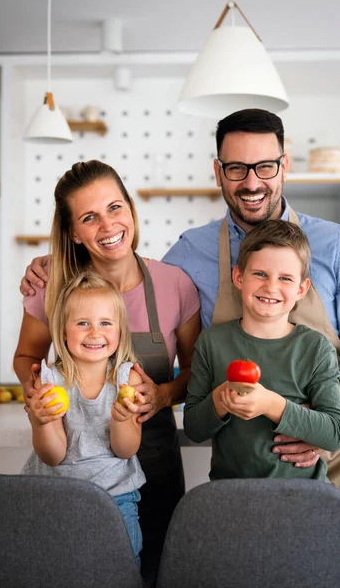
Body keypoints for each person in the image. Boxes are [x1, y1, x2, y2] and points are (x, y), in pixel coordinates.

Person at [19, 111, 340, 586]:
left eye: (265, 166)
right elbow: (125, 282)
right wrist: (56, 263)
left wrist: (320, 429)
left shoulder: (336, 244)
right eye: (236, 168)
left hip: (333, 465)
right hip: (236, 477)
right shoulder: (188, 255)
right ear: (218, 172)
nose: (251, 181)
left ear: (284, 165)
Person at [14, 160, 201, 587]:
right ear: (72, 232)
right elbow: (27, 356)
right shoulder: (51, 284)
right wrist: (36, 397)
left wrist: (163, 394)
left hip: (152, 466)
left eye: (115, 207)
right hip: (69, 471)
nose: (108, 225)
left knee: (151, 573)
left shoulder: (175, 283)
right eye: (88, 217)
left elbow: (194, 371)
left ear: (131, 209)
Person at [184, 220, 340, 482]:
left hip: (302, 497)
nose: (271, 287)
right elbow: (193, 428)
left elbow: (336, 433)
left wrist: (273, 405)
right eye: (260, 274)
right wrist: (220, 399)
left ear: (301, 289)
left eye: (285, 278)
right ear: (239, 277)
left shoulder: (315, 349)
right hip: (231, 496)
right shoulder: (211, 342)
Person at [21, 271, 146, 567]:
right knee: (57, 568)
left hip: (116, 497)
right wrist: (40, 422)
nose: (95, 333)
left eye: (105, 323)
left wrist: (121, 419)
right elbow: (53, 455)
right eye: (82, 323)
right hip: (55, 496)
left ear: (120, 331)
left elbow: (126, 450)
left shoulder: (128, 378)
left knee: (120, 567)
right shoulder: (49, 380)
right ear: (63, 331)